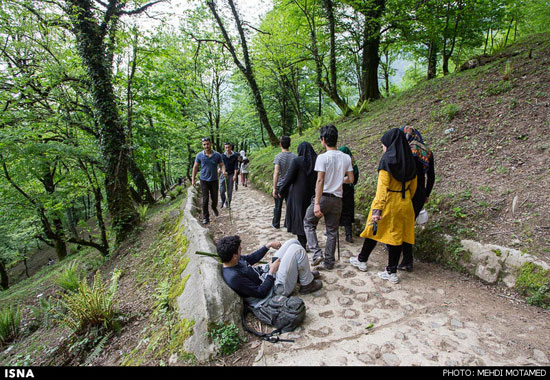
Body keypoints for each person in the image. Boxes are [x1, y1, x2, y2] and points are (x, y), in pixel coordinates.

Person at [349, 128, 417, 284]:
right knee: (396, 236)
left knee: (376, 229)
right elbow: (414, 187)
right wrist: (405, 199)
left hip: (388, 201)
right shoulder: (410, 160)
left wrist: (377, 209)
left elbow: (382, 188)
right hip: (405, 202)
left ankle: (390, 271)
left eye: (383, 145)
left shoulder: (387, 161)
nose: (383, 148)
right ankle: (363, 259)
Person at [217, 236, 322, 309]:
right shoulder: (234, 277)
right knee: (297, 250)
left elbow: (251, 258)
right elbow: (261, 293)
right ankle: (307, 285)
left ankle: (304, 276)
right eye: (240, 249)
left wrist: (268, 245)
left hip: (267, 274)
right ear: (234, 256)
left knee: (293, 242)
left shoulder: (234, 260)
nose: (241, 249)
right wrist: (272, 272)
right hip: (275, 289)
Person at [303, 124, 354, 270]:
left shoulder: (322, 158)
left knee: (308, 223)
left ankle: (317, 253)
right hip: (338, 199)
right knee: (332, 231)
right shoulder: (346, 158)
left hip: (323, 197)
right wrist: (339, 180)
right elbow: (350, 179)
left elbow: (320, 180)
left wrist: (317, 203)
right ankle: (329, 262)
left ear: (323, 140)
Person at [397, 126, 435, 272]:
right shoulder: (427, 151)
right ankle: (406, 258)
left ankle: (407, 259)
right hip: (419, 193)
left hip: (407, 191)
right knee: (408, 225)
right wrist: (426, 194)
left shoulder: (406, 150)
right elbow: (431, 176)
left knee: (405, 226)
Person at [278, 142, 318, 249]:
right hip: (313, 193)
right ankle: (309, 241)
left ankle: (302, 242)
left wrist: (281, 190)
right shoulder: (317, 160)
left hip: (298, 194)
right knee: (309, 218)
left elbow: (289, 178)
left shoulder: (297, 161)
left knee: (299, 217)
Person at [192, 137, 226, 225]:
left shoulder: (217, 155)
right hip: (204, 180)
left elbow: (222, 165)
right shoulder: (199, 155)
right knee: (205, 199)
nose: (206, 146)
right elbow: (195, 167)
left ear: (210, 144)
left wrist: (223, 171)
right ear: (202, 145)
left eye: (207, 144)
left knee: (214, 198)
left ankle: (214, 207)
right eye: (204, 144)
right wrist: (193, 179)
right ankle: (205, 217)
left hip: (214, 180)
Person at [272, 136, 297, 229]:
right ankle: (288, 224)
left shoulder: (278, 156)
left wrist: (274, 187)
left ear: (280, 144)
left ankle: (276, 223)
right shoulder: (295, 156)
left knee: (278, 205)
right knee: (289, 205)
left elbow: (276, 173)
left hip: (280, 185)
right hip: (291, 185)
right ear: (290, 144)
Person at [338, 146, 359, 243]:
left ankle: (332, 231)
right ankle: (348, 234)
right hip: (349, 190)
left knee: (336, 210)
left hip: (339, 189)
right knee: (348, 211)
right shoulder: (352, 164)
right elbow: (355, 177)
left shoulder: (338, 163)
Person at [219, 142, 239, 209]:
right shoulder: (222, 156)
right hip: (223, 174)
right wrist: (220, 170)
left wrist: (235, 175)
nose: (227, 149)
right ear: (224, 148)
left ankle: (228, 204)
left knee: (229, 191)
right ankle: (223, 200)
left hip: (231, 174)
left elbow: (236, 166)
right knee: (221, 190)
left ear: (231, 147)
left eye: (228, 147)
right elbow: (220, 165)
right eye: (226, 147)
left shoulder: (235, 156)